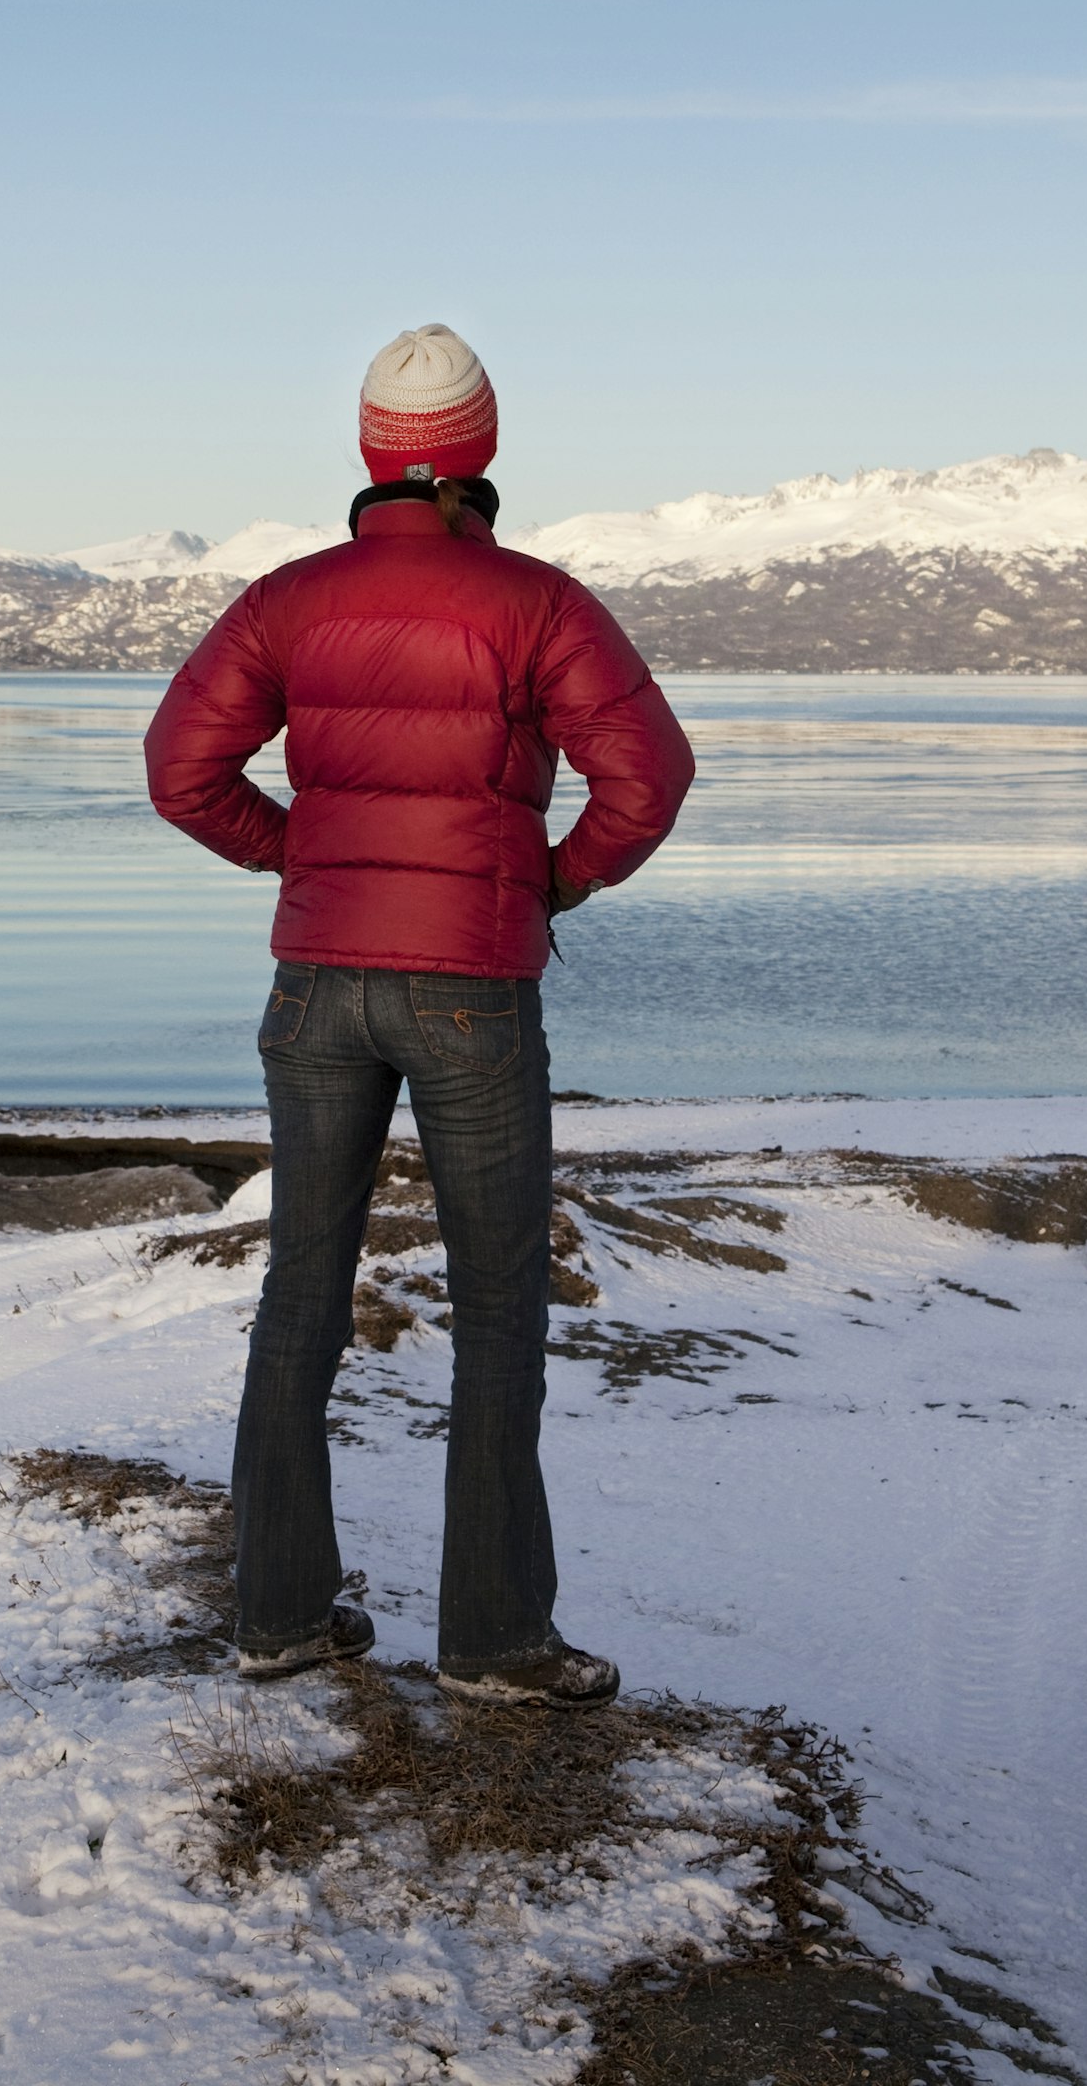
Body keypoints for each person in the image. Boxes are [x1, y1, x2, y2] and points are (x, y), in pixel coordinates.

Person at [144, 324, 694, 1707]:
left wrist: (305, 860)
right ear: (481, 453)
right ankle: (496, 1640)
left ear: (376, 459)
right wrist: (539, 884)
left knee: (299, 1297)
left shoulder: (289, 597)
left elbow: (181, 769)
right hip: (471, 986)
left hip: (317, 980)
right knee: (500, 1306)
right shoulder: (538, 603)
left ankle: (276, 1613)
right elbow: (649, 781)